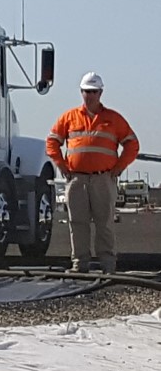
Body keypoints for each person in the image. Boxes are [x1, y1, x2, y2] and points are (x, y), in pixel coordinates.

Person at [46, 72, 138, 274]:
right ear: (81, 92)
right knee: (77, 222)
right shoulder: (69, 117)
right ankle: (80, 264)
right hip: (76, 179)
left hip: (103, 178)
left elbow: (132, 144)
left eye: (94, 91)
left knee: (104, 222)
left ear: (100, 93)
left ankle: (108, 265)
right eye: (87, 91)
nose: (90, 95)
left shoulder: (113, 119)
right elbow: (52, 141)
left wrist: (119, 167)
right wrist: (61, 164)